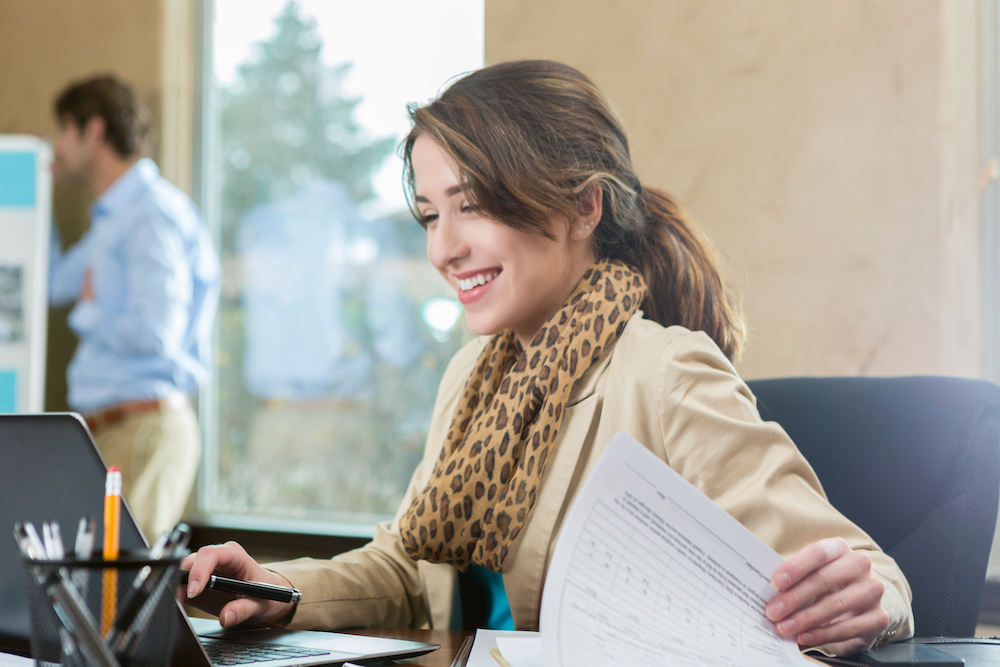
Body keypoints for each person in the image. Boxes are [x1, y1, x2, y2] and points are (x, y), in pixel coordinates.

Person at [182, 60, 912, 656]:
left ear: (582, 208)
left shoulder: (663, 372)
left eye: (473, 206)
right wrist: (275, 586)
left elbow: (863, 570)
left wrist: (868, 597)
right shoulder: (473, 376)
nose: (444, 249)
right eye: (432, 215)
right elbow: (411, 568)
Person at [48, 75, 220, 540]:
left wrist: (89, 312)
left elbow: (157, 332)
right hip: (114, 430)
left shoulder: (151, 214)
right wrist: (35, 196)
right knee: (96, 596)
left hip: (143, 428)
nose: (58, 146)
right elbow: (52, 284)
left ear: (94, 130)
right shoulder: (113, 218)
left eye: (65, 130)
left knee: (116, 597)